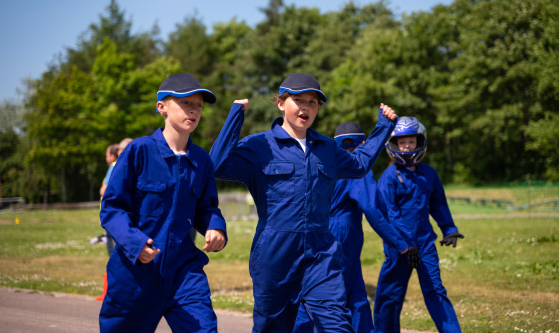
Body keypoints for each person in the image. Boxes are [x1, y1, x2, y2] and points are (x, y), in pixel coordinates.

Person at [209, 73, 398, 332]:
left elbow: (359, 165)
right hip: (275, 254)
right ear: (280, 103)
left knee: (336, 324)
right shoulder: (259, 145)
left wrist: (383, 127)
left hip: (322, 252)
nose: (306, 107)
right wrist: (235, 116)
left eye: (313, 102)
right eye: (298, 100)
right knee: (272, 328)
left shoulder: (327, 148)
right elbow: (217, 165)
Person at [99, 73, 227, 333]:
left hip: (184, 274)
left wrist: (215, 227)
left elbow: (207, 208)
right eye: (185, 103)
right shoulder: (139, 151)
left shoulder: (202, 160)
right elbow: (112, 208)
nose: (194, 110)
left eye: (199, 105)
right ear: (162, 108)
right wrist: (136, 244)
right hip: (136, 274)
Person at [294, 122, 414, 333]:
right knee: (332, 294)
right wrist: (401, 244)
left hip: (318, 230)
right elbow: (373, 212)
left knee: (354, 293)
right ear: (365, 143)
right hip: (343, 235)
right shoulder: (357, 168)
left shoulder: (328, 162)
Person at [373, 116, 464, 333]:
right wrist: (405, 245)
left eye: (411, 142)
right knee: (391, 295)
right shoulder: (388, 177)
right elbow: (390, 215)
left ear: (419, 142)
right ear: (393, 144)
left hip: (425, 245)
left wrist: (449, 229)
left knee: (436, 291)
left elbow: (438, 204)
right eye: (402, 142)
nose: (407, 146)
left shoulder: (429, 174)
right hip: (399, 247)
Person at [95, 143, 120, 301]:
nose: (106, 158)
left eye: (107, 155)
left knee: (113, 254)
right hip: (114, 214)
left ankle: (112, 292)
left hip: (110, 214)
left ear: (113, 155)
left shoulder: (114, 165)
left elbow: (104, 190)